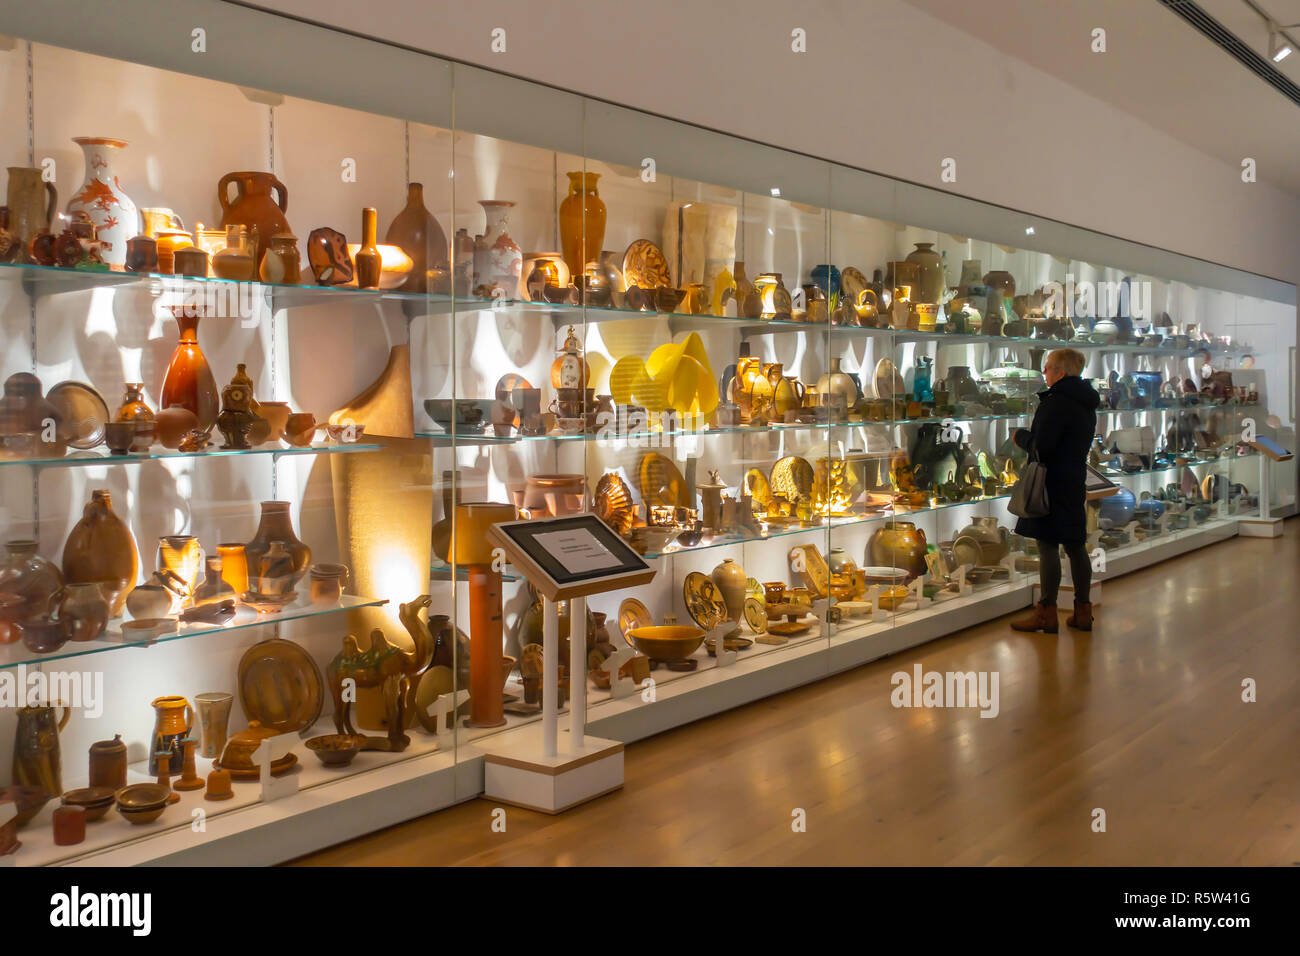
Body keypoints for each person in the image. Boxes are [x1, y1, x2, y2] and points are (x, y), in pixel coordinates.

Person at [1009, 348, 1099, 633]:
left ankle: (1046, 613)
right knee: (1074, 545)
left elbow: (1042, 447)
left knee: (1047, 545)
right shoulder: (1084, 401)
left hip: (1049, 481)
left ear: (1061, 372)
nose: (1044, 373)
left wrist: (1019, 436)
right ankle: (1083, 611)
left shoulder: (1056, 401)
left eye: (1047, 368)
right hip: (1073, 479)